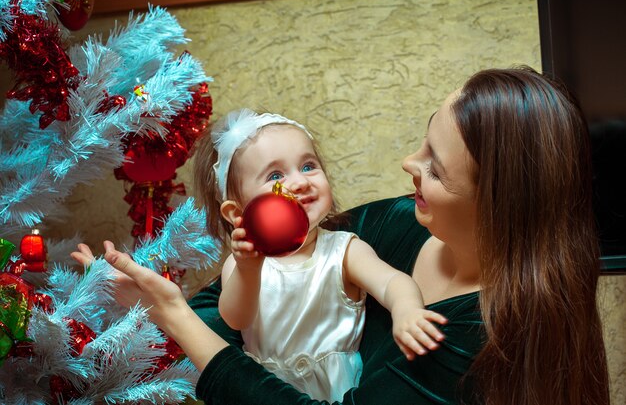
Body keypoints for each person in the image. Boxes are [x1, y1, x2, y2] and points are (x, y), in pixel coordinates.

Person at [72, 67, 610, 405]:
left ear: (498, 207)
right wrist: (155, 309)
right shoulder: (402, 221)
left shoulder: (476, 336)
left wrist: (178, 319)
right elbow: (232, 306)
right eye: (423, 143)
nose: (408, 164)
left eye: (436, 169)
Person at [203, 108, 448, 401]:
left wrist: (406, 310)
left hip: (336, 390)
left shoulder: (343, 250)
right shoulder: (244, 264)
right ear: (237, 211)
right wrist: (247, 269)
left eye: (308, 166)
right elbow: (235, 319)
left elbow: (391, 282)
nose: (300, 182)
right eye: (276, 175)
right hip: (264, 392)